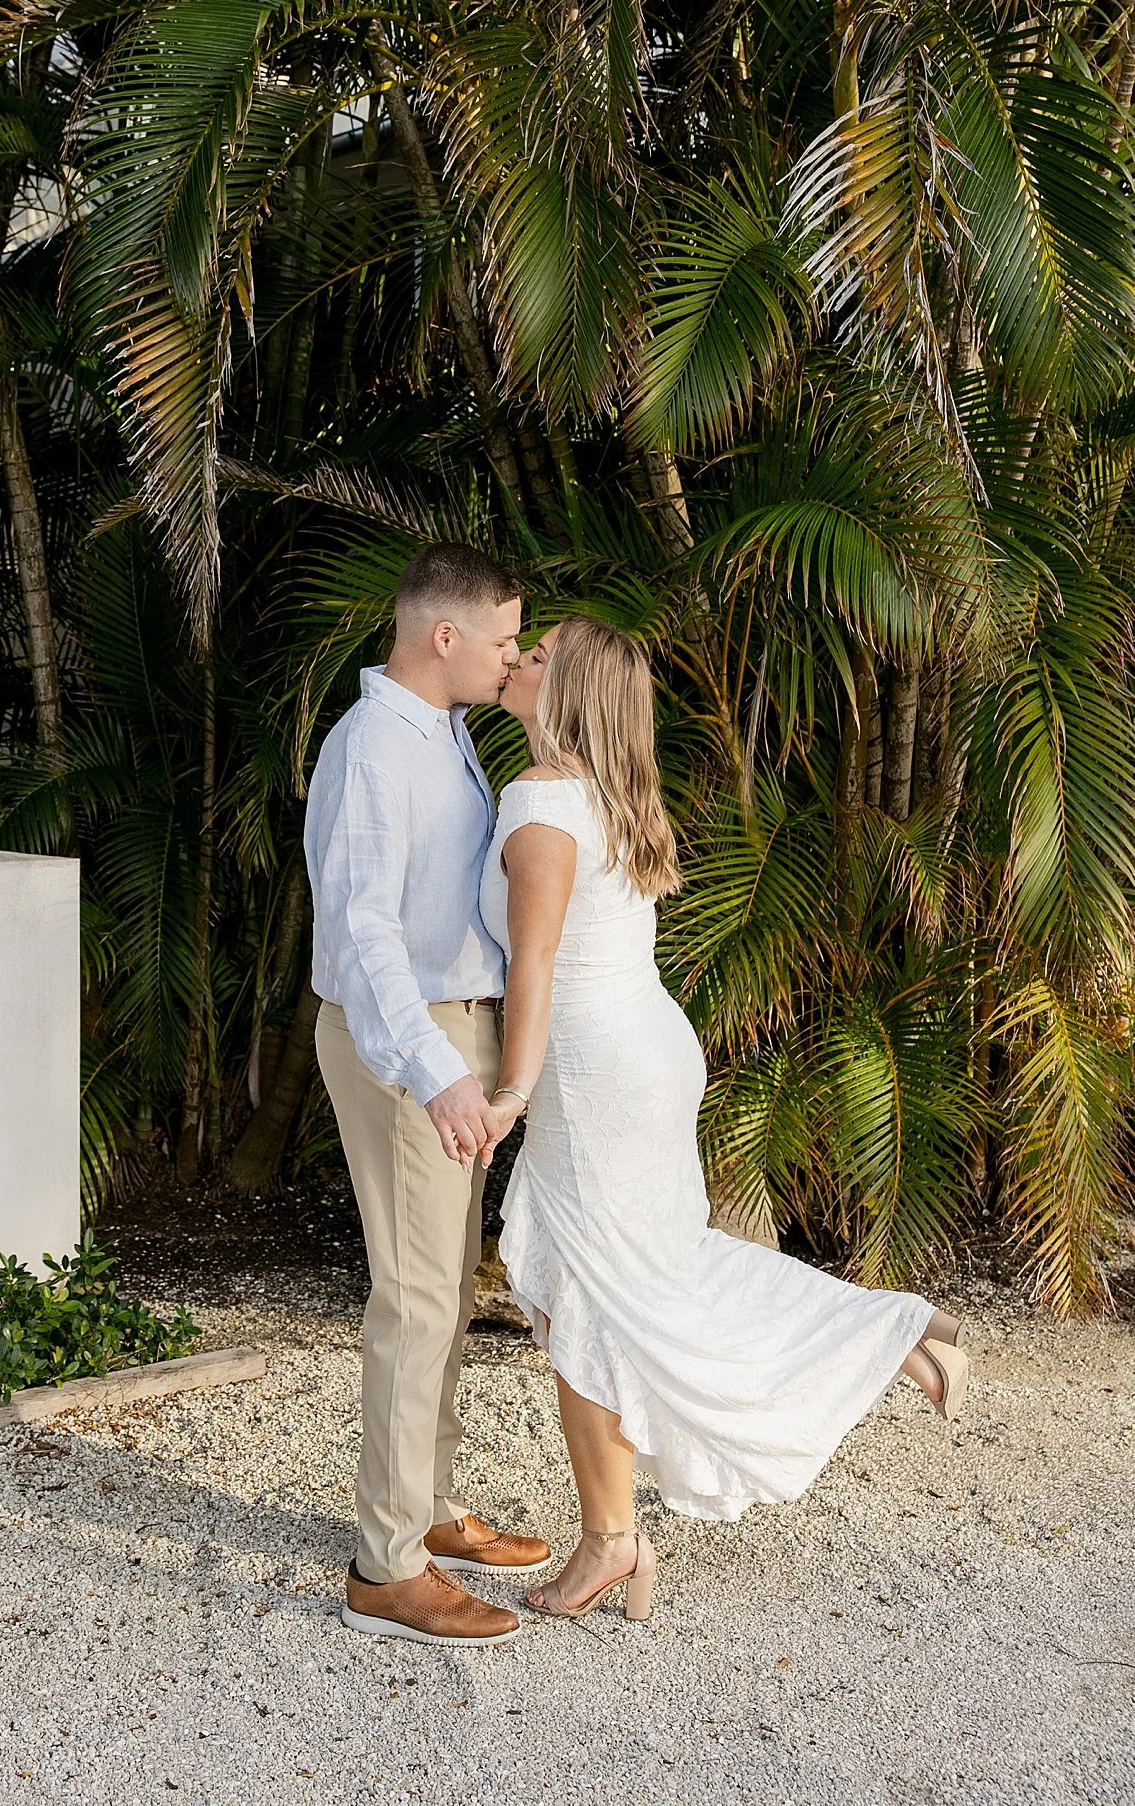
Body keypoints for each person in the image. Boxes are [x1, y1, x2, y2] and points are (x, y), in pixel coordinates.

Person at [478, 618, 969, 1625]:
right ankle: (891, 1337)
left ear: (567, 694)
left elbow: (532, 962)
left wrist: (511, 1091)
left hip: (595, 1073)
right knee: (627, 1287)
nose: (518, 659)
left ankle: (619, 1535)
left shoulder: (537, 800)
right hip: (645, 1056)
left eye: (538, 656)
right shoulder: (609, 798)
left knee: (605, 1295)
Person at [303, 544, 552, 1645]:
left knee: (446, 1289)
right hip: (403, 1043)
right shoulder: (372, 750)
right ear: (441, 637)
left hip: (458, 1032)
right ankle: (385, 1568)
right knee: (413, 1300)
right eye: (504, 640)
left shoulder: (442, 734)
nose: (514, 658)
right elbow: (363, 933)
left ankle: (432, 1510)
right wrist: (444, 1070)